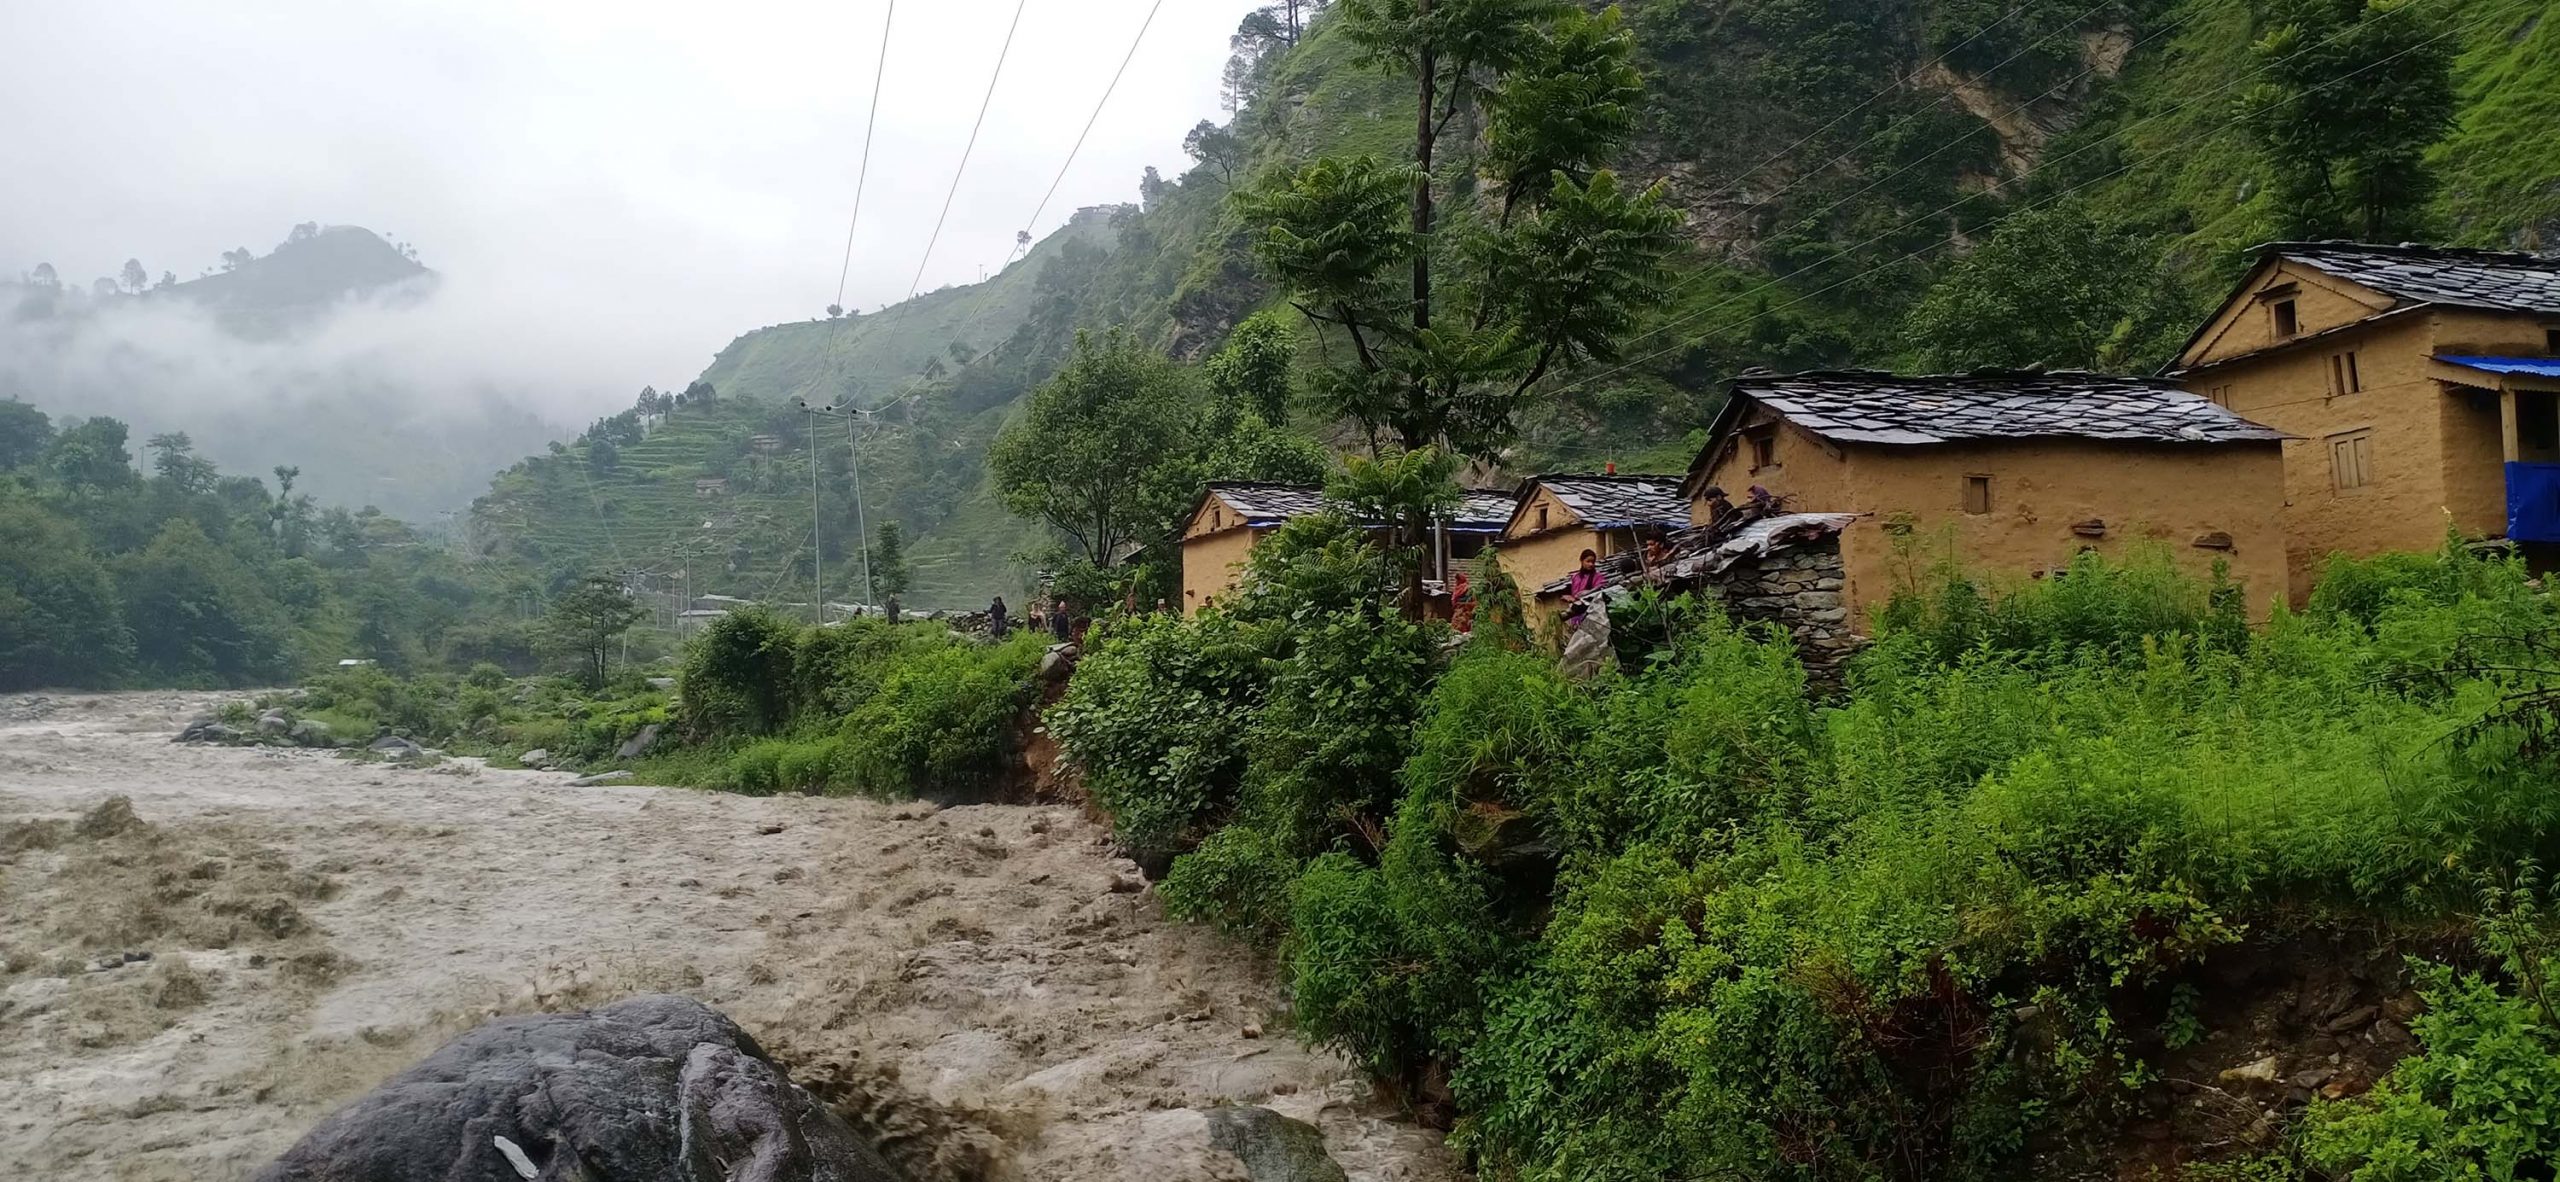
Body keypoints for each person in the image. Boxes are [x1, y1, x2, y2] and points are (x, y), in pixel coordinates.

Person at [1565, 548, 1605, 630]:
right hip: (1576, 612)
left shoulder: (1598, 577)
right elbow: (1574, 594)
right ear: (1582, 561)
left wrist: (1586, 593)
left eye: (1593, 562)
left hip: (1591, 613)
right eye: (1588, 561)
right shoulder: (1575, 577)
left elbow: (1598, 594)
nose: (1591, 564)